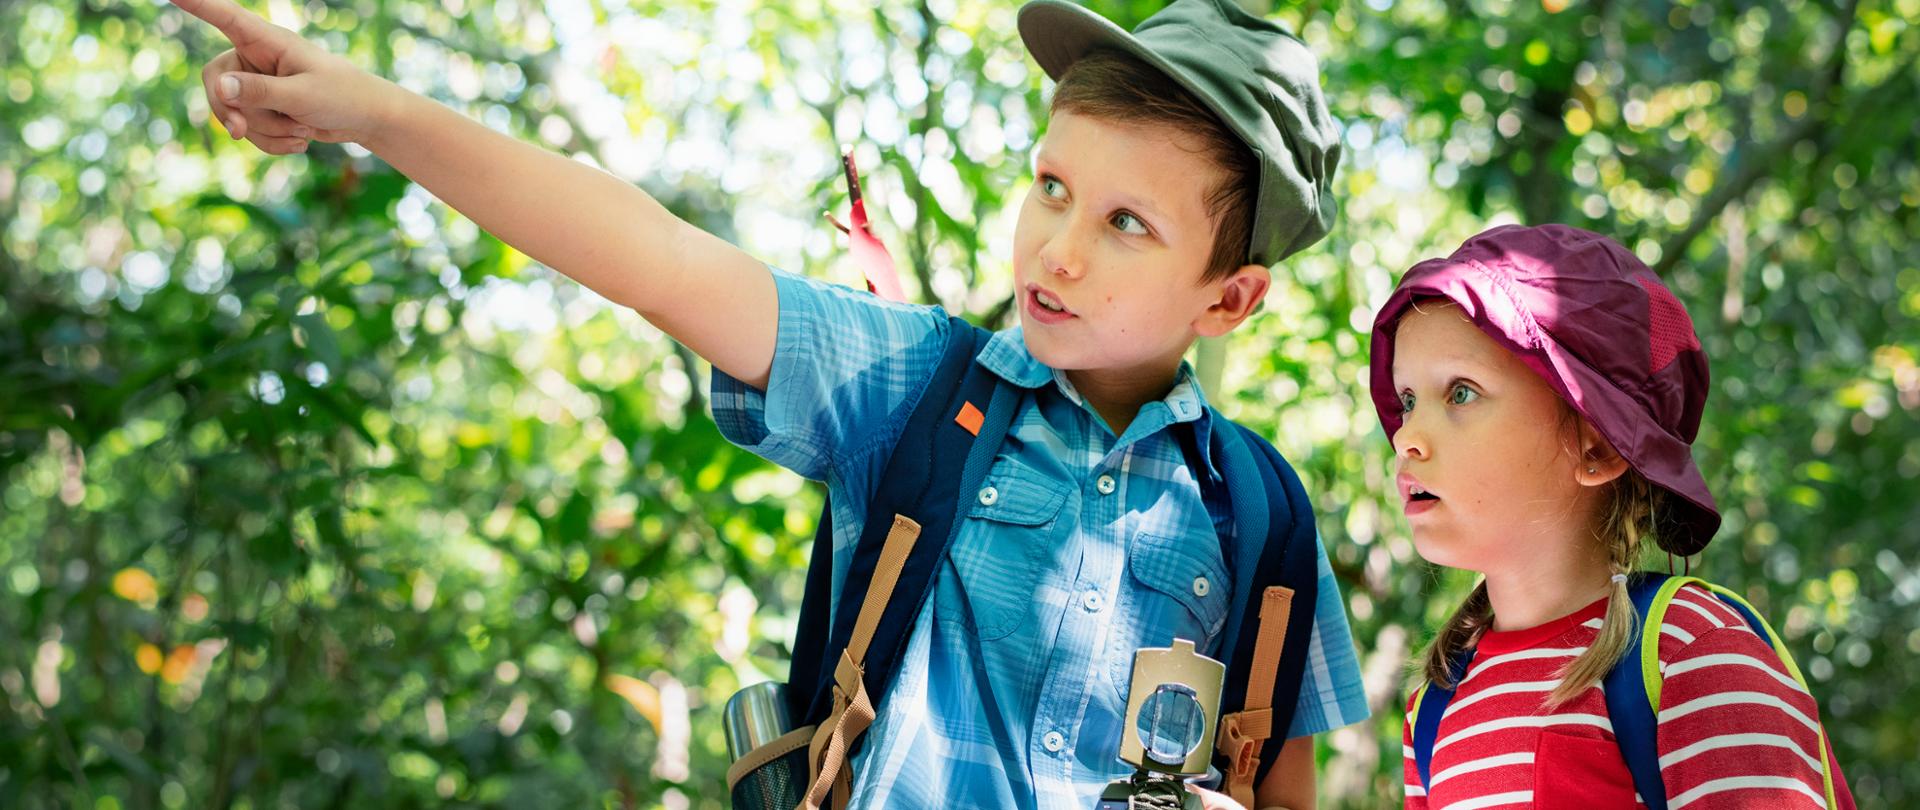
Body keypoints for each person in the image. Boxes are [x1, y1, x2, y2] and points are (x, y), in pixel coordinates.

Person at [170, 0, 1369, 805]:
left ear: (1231, 298)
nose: (1055, 250)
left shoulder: (1259, 513)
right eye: (1052, 187)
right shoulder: (917, 388)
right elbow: (657, 257)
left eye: (1125, 224)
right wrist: (371, 111)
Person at [1370, 224, 1855, 809]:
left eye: (1462, 393)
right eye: (1408, 401)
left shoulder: (1693, 650)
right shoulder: (1436, 704)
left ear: (1596, 448)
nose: (1407, 440)